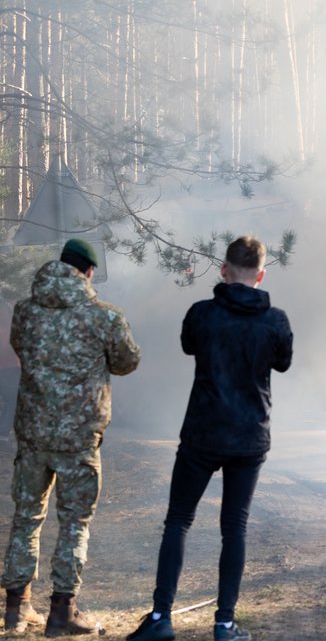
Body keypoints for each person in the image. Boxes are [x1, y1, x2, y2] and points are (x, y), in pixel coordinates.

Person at [127, 236, 292, 641]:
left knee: (179, 521)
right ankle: (224, 624)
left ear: (223, 269)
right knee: (234, 527)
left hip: (203, 432)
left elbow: (188, 346)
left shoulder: (201, 314)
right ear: (261, 274)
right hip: (249, 437)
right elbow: (283, 363)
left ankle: (161, 618)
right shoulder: (276, 320)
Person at [1, 238, 140, 635]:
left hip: (32, 434)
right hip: (79, 438)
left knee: (27, 517)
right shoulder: (104, 318)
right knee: (75, 522)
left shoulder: (25, 313)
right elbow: (128, 361)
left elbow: (21, 348)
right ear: (90, 272)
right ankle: (62, 612)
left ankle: (16, 608)